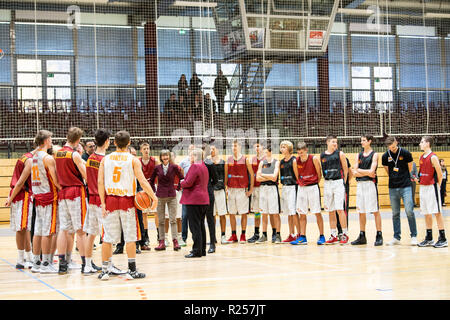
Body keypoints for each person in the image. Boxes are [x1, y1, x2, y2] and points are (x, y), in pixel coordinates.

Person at [97, 131, 157, 280]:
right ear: (129, 143)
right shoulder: (133, 160)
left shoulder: (105, 159)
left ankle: (105, 270)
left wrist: (103, 203)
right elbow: (142, 181)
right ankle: (132, 270)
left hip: (110, 200)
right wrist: (153, 197)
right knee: (131, 237)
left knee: (107, 237)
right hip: (127, 201)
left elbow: (100, 183)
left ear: (114, 143)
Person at [54, 127, 89, 274]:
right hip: (75, 191)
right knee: (80, 230)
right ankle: (85, 263)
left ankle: (63, 264)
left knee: (64, 229)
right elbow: (87, 174)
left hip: (63, 192)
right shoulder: (74, 155)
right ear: (78, 140)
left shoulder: (58, 153)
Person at [30, 130, 61, 273]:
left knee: (38, 231)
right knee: (48, 231)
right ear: (46, 140)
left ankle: (36, 262)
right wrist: (62, 187)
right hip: (49, 196)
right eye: (51, 139)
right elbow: (55, 180)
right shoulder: (48, 158)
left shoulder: (33, 157)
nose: (52, 141)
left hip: (38, 196)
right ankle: (46, 263)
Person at [382, 136, 418, 246]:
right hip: (393, 187)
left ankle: (414, 236)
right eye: (390, 147)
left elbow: (410, 167)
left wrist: (404, 176)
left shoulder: (405, 153)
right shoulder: (385, 156)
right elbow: (387, 169)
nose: (392, 149)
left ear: (396, 142)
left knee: (409, 211)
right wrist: (394, 177)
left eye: (393, 147)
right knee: (395, 213)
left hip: (406, 186)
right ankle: (396, 237)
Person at [5, 148, 36, 269]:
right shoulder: (29, 161)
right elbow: (19, 182)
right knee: (21, 228)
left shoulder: (24, 157)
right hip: (22, 195)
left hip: (18, 194)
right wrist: (10, 198)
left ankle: (28, 257)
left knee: (25, 228)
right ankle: (20, 259)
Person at [350, 135, 383, 246]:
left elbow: (372, 171)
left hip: (370, 184)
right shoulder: (358, 155)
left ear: (370, 141)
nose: (362, 142)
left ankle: (379, 235)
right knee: (361, 211)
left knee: (375, 211)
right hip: (360, 185)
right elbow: (354, 172)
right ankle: (362, 235)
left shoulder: (375, 155)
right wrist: (365, 172)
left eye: (364, 140)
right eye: (361, 140)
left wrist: (359, 170)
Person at [291, 141, 325, 245]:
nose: (300, 154)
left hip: (313, 187)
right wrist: (303, 183)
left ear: (306, 150)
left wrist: (313, 182)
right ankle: (302, 237)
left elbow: (319, 174)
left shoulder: (313, 159)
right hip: (302, 188)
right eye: (298, 153)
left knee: (317, 212)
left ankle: (322, 236)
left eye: (302, 152)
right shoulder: (295, 161)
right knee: (302, 213)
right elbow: (297, 175)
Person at [150, 149, 184, 251]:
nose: (165, 158)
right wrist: (154, 192)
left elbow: (182, 178)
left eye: (167, 156)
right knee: (161, 221)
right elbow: (151, 181)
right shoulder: (157, 168)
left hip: (172, 196)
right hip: (160, 196)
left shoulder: (174, 167)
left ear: (169, 157)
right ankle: (162, 242)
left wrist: (177, 188)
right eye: (163, 156)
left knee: (173, 220)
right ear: (160, 158)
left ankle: (175, 241)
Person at [416, 136, 447, 248]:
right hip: (423, 187)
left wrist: (437, 186)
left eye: (422, 142)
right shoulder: (421, 157)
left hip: (432, 187)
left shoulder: (433, 157)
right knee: (426, 212)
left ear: (428, 143)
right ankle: (429, 238)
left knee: (437, 212)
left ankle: (443, 238)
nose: (420, 144)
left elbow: (440, 174)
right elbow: (422, 172)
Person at [180, 148, 210, 258]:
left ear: (195, 156)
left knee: (194, 226)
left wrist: (181, 183)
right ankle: (202, 250)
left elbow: (188, 182)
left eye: (191, 156)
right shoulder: (204, 166)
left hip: (194, 200)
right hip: (204, 200)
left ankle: (196, 250)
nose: (189, 158)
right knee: (201, 225)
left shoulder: (195, 166)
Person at [224, 140, 254, 243]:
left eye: (235, 146)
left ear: (240, 147)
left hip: (242, 190)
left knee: (243, 213)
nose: (234, 148)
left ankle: (243, 235)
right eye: (232, 146)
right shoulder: (229, 160)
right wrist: (226, 188)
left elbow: (251, 174)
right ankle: (233, 235)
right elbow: (225, 175)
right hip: (231, 189)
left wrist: (251, 189)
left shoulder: (245, 159)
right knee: (231, 213)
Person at [321, 135, 349, 245]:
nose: (335, 144)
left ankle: (344, 234)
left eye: (336, 142)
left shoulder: (340, 154)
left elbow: (346, 170)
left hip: (338, 182)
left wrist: (344, 183)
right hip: (328, 183)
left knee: (339, 209)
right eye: (333, 142)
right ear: (327, 142)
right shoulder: (322, 155)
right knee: (330, 210)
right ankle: (333, 234)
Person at [255, 146, 281, 244]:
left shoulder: (276, 162)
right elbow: (257, 178)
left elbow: (274, 178)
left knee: (275, 213)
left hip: (272, 189)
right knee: (264, 213)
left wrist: (263, 175)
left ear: (270, 152)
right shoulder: (262, 163)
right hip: (263, 189)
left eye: (265, 152)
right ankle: (264, 235)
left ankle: (278, 235)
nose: (263, 154)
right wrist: (268, 177)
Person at [279, 140, 300, 243]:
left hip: (293, 187)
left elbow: (297, 176)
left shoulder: (294, 160)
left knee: (294, 212)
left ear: (289, 148)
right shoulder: (281, 162)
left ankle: (299, 234)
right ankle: (291, 234)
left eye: (284, 147)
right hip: (285, 187)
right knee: (288, 213)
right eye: (281, 146)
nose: (282, 148)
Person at [208, 145, 228, 244]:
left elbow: (226, 176)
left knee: (222, 214)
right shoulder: (207, 163)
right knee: (211, 215)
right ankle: (212, 237)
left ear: (217, 150)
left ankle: (223, 236)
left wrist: (226, 187)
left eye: (213, 149)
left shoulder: (223, 162)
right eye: (210, 149)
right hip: (210, 192)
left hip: (220, 191)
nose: (212, 150)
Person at [248, 142, 264, 243]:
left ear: (263, 147)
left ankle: (274, 233)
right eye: (255, 147)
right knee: (257, 212)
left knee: (268, 212)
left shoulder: (266, 159)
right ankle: (257, 233)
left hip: (265, 187)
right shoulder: (251, 160)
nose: (256, 148)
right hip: (255, 188)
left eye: (258, 146)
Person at [179, 144, 196, 244]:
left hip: (195, 192)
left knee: (194, 216)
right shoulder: (183, 162)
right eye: (190, 149)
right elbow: (179, 175)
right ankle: (184, 238)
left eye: (193, 149)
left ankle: (195, 237)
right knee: (184, 215)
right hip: (186, 191)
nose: (192, 151)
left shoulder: (198, 162)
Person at [203, 145, 218, 253]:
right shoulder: (195, 164)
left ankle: (212, 243)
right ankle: (201, 243)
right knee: (199, 221)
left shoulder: (210, 164)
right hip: (198, 196)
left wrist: (208, 187)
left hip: (208, 194)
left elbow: (215, 180)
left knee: (210, 219)